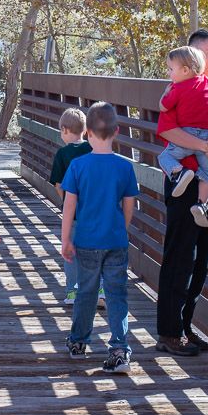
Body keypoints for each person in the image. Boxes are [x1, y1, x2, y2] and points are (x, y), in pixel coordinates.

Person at [155, 28, 208, 357]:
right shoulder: (178, 87)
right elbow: (166, 129)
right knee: (180, 254)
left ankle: (186, 328)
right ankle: (169, 332)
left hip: (204, 179)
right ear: (193, 55)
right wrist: (203, 145)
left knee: (201, 256)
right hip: (182, 178)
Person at [60, 102, 139, 373]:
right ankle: (119, 348)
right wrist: (123, 228)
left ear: (88, 133)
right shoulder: (124, 167)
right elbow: (129, 205)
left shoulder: (78, 165)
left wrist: (65, 239)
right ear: (116, 132)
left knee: (87, 292)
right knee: (117, 294)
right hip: (115, 240)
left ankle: (79, 342)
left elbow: (69, 205)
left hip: (86, 241)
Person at [156, 45, 208, 226]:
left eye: (171, 69)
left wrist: (165, 93)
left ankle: (178, 172)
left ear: (185, 69)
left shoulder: (176, 88)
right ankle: (201, 204)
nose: (169, 73)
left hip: (189, 137)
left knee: (165, 157)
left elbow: (163, 106)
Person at [49, 108, 91, 307]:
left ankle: (72, 291)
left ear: (65, 130)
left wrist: (67, 202)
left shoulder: (63, 154)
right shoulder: (92, 149)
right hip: (93, 211)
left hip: (73, 213)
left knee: (70, 251)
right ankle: (99, 289)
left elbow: (58, 184)